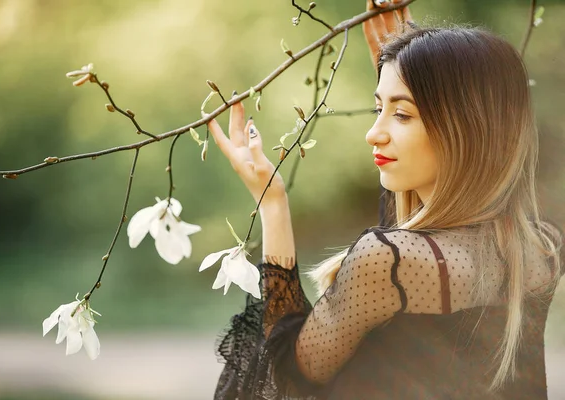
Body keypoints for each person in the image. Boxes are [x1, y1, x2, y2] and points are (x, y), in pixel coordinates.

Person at [205, 0, 564, 398]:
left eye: (402, 114)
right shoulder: (542, 251)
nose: (373, 133)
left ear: (466, 127)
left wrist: (272, 204)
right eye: (379, 108)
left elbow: (290, 370)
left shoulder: (388, 261)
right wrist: (407, 55)